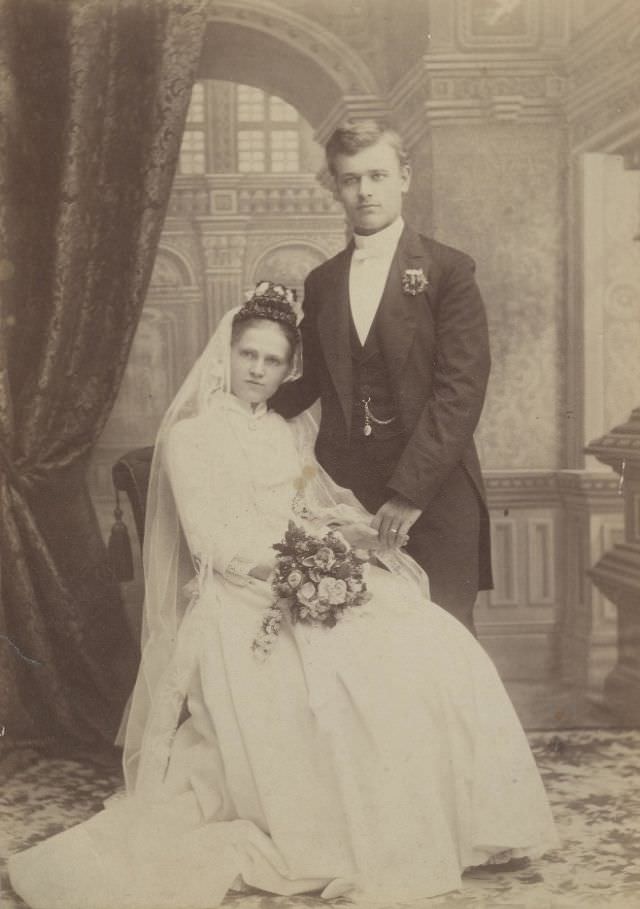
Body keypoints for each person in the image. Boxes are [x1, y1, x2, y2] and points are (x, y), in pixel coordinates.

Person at [8, 284, 557, 909]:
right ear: (227, 354)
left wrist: (340, 540)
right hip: (240, 593)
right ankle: (370, 834)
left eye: (272, 361)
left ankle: (462, 825)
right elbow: (212, 543)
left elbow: (301, 509)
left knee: (430, 637)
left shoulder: (282, 433)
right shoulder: (192, 439)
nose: (258, 371)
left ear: (288, 369)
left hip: (298, 572)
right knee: (343, 675)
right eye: (248, 355)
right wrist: (293, 573)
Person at [272, 119, 491, 634]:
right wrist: (239, 409)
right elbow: (311, 384)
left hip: (433, 497)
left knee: (442, 645)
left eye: (377, 175)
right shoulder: (323, 282)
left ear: (404, 177)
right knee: (362, 649)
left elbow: (460, 390)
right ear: (337, 188)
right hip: (350, 497)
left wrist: (410, 494)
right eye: (350, 179)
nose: (365, 191)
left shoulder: (448, 271)